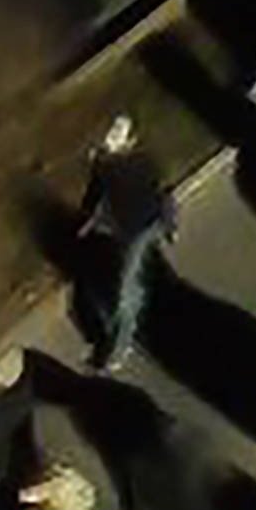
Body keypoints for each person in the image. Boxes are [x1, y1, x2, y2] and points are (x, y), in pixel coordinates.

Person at [75, 113, 173, 370]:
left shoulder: (120, 165)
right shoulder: (129, 163)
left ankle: (118, 350)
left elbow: (161, 194)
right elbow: (163, 194)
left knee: (125, 295)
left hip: (136, 232)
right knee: (128, 277)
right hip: (136, 227)